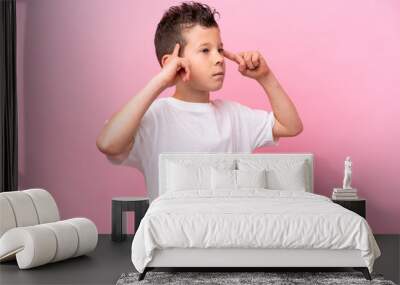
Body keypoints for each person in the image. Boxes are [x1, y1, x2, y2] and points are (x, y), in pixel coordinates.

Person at [96, 1, 303, 202]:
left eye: (220, 49)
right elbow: (108, 143)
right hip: (174, 234)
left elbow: (290, 126)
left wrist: (265, 77)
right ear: (172, 63)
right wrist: (160, 81)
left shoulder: (235, 116)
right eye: (205, 50)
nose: (219, 58)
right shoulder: (154, 118)